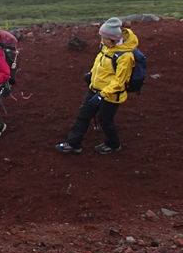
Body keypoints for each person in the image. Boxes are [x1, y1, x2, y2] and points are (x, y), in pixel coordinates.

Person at [56, 17, 139, 155]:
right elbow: (100, 65)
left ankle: (113, 144)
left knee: (105, 120)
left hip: (111, 95)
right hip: (95, 89)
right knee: (83, 115)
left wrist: (102, 95)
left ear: (112, 39)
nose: (101, 41)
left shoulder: (125, 56)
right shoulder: (106, 47)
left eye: (104, 38)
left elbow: (119, 82)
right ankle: (73, 143)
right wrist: (91, 75)